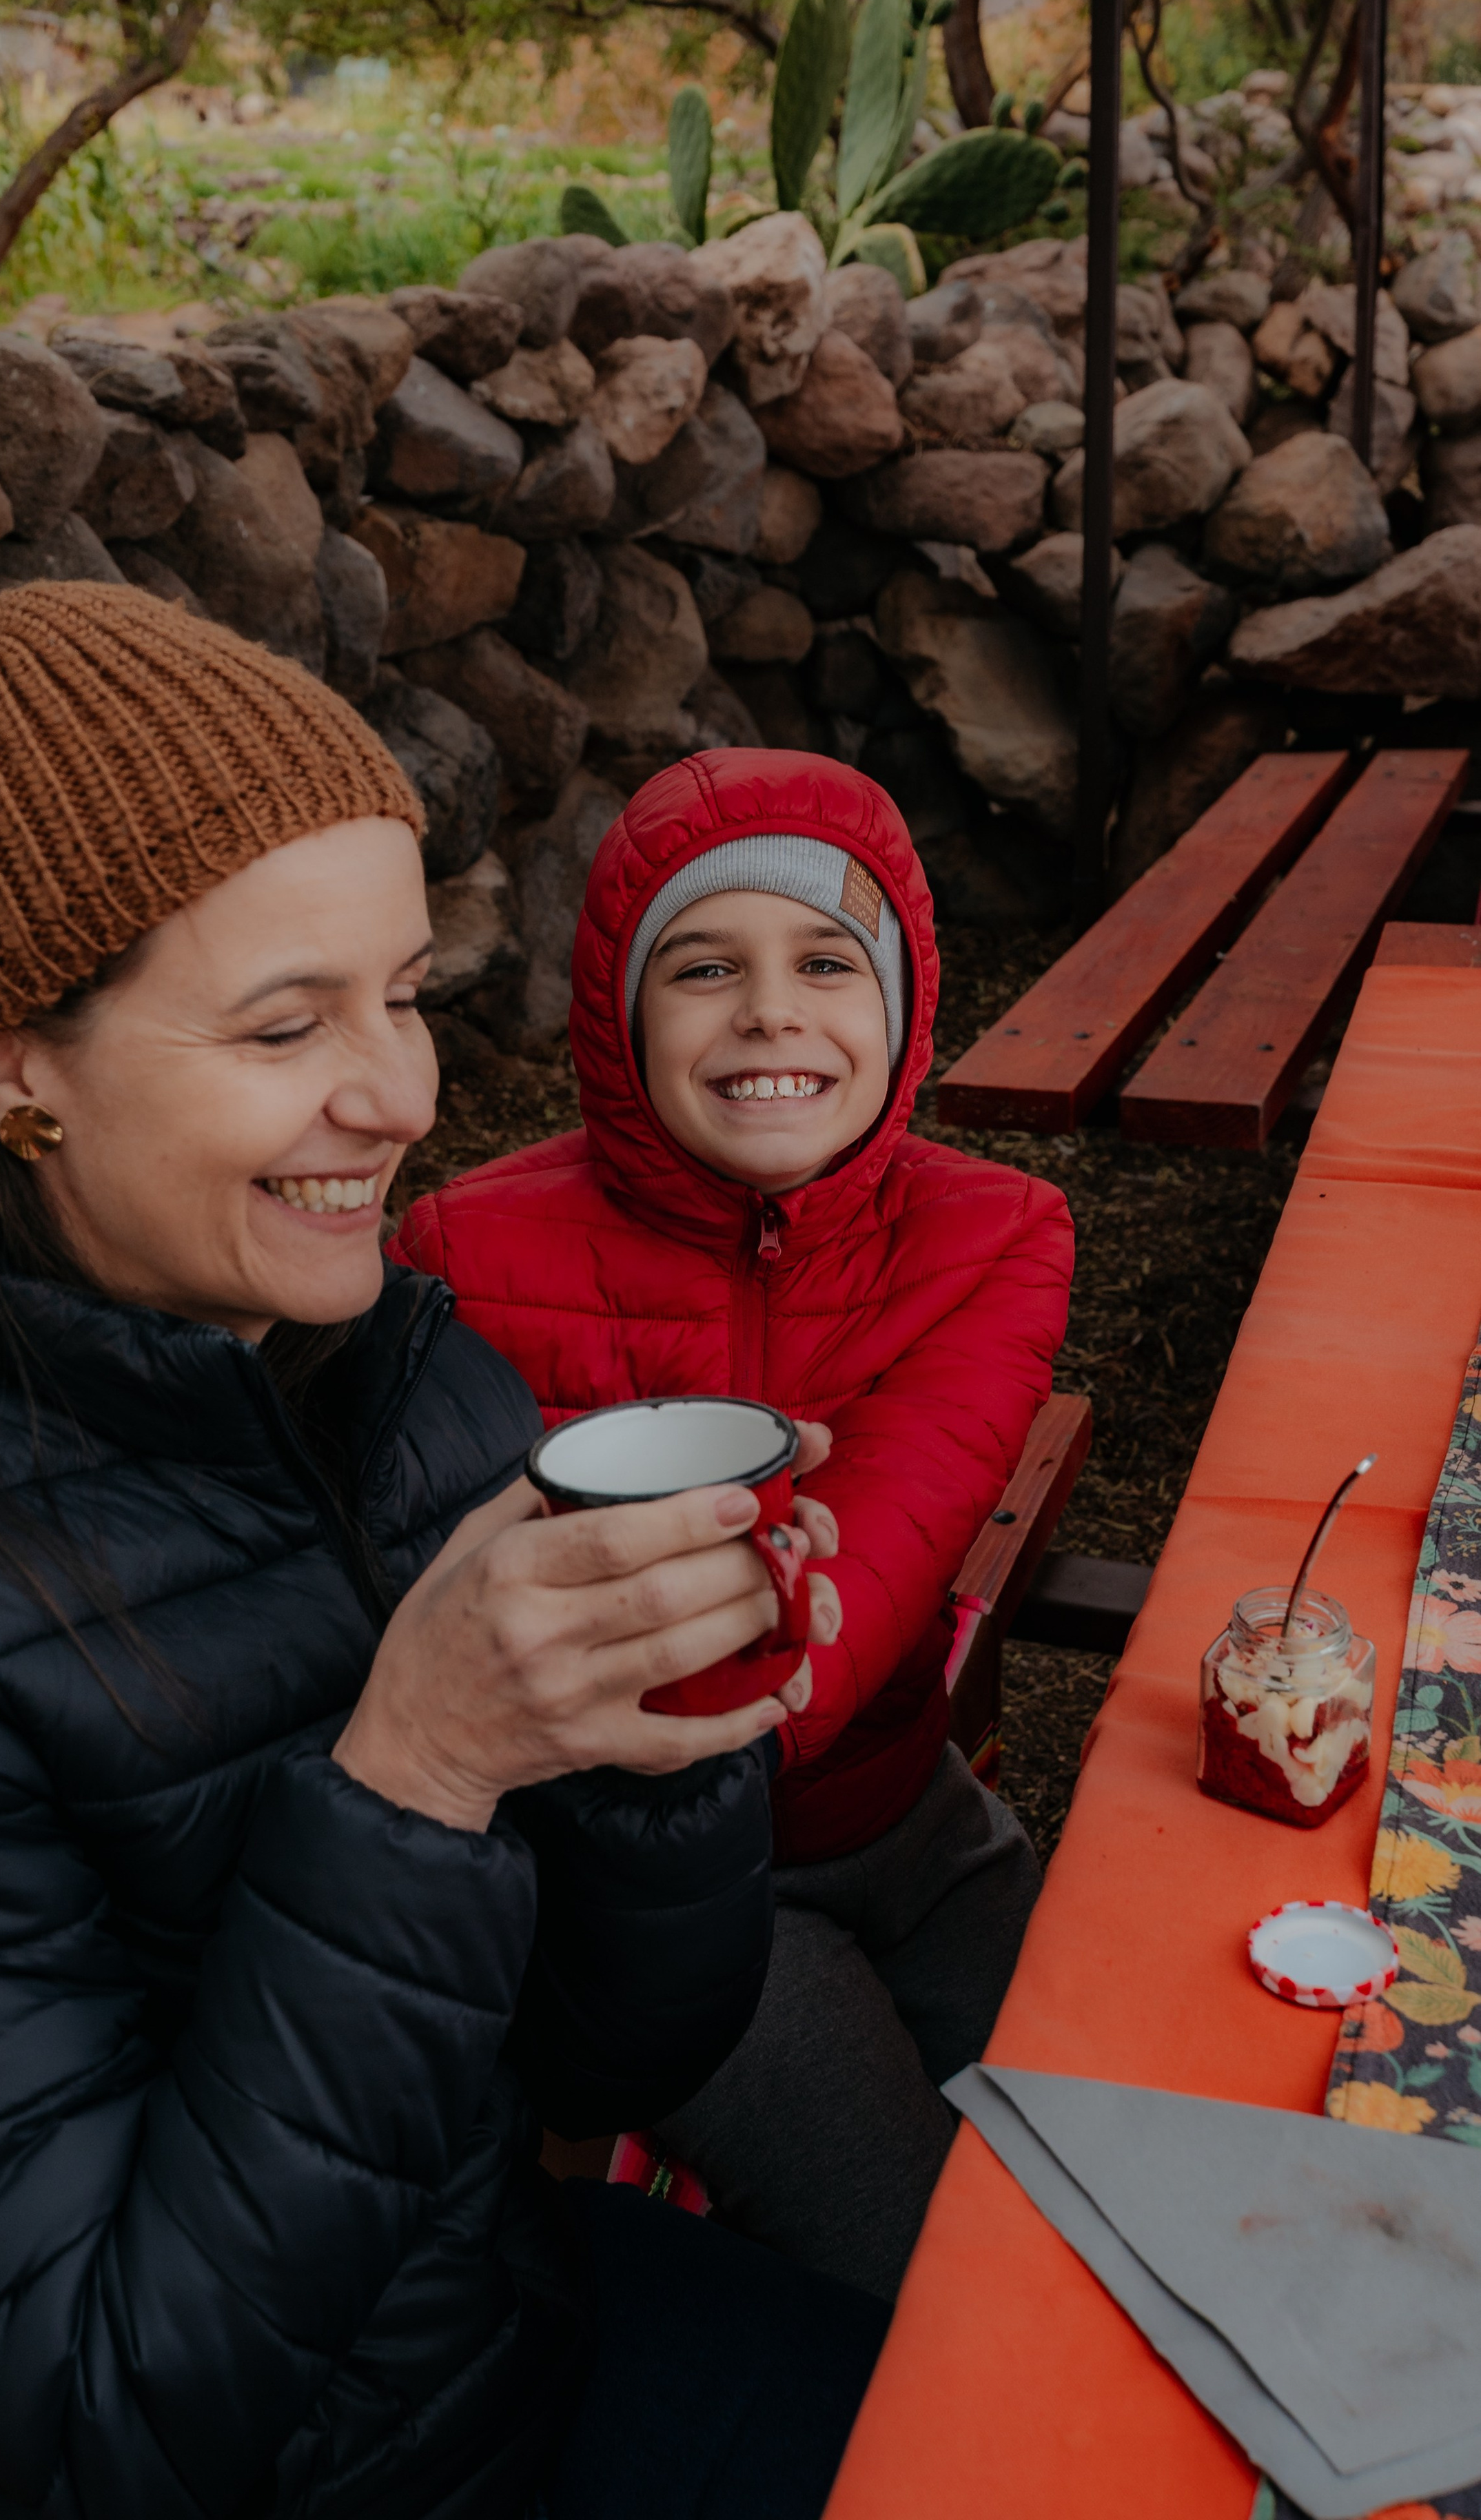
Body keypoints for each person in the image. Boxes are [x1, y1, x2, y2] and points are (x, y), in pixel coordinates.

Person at [0, 594, 890, 2520]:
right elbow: (106, 2412)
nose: (402, 1098)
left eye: (405, 994)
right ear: (19, 1072)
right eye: (287, 1026)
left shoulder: (410, 1380)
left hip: (485, 2357)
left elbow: (619, 2051)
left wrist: (659, 1744)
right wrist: (415, 1779)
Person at [393, 746, 1074, 2301]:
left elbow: (889, 1540)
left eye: (827, 961)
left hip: (911, 1827)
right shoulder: (457, 1251)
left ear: (899, 1007)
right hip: (678, 1921)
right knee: (930, 2288)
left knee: (1104, 2163)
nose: (771, 1009)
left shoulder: (995, 1234)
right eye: (703, 965)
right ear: (617, 1013)